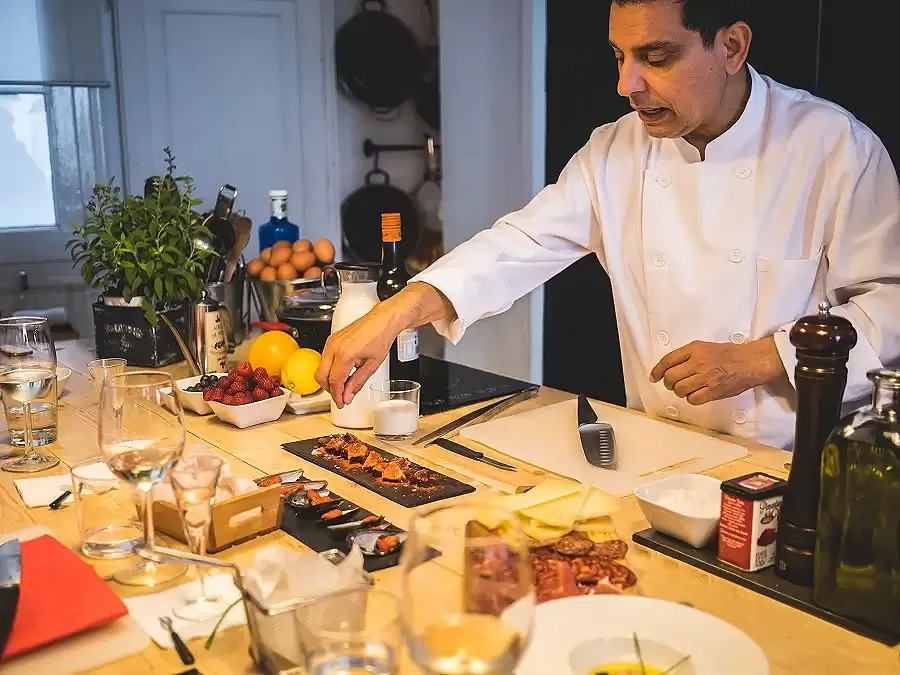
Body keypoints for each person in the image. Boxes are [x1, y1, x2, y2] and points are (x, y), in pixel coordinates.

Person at [316, 0, 900, 449]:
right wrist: (396, 312)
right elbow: (520, 242)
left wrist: (763, 357)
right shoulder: (614, 152)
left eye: (657, 56)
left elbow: (890, 306)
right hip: (660, 455)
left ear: (732, 46)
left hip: (788, 470)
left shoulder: (833, 148)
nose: (627, 85)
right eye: (619, 56)